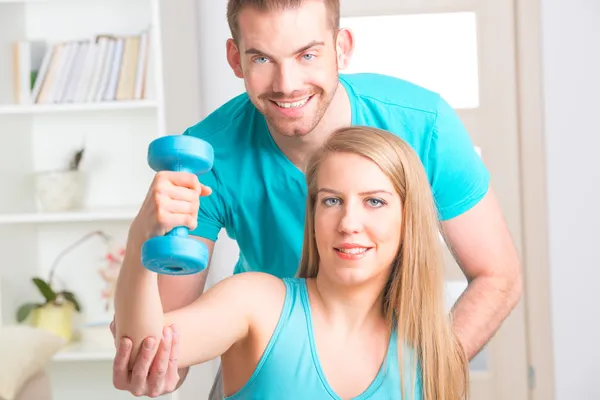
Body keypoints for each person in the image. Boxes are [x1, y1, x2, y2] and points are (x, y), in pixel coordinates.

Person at [111, 0, 522, 397]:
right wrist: (141, 243)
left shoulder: (423, 126)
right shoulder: (206, 157)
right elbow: (161, 357)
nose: (287, 84)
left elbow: (497, 276)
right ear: (235, 59)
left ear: (341, 47)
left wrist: (419, 378)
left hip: (395, 359)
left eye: (307, 55)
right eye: (261, 59)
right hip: (269, 357)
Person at [114, 126, 470, 400]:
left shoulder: (433, 352)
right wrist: (141, 239)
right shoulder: (258, 303)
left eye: (374, 202)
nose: (348, 223)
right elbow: (143, 351)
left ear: (409, 219)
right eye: (331, 201)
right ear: (312, 213)